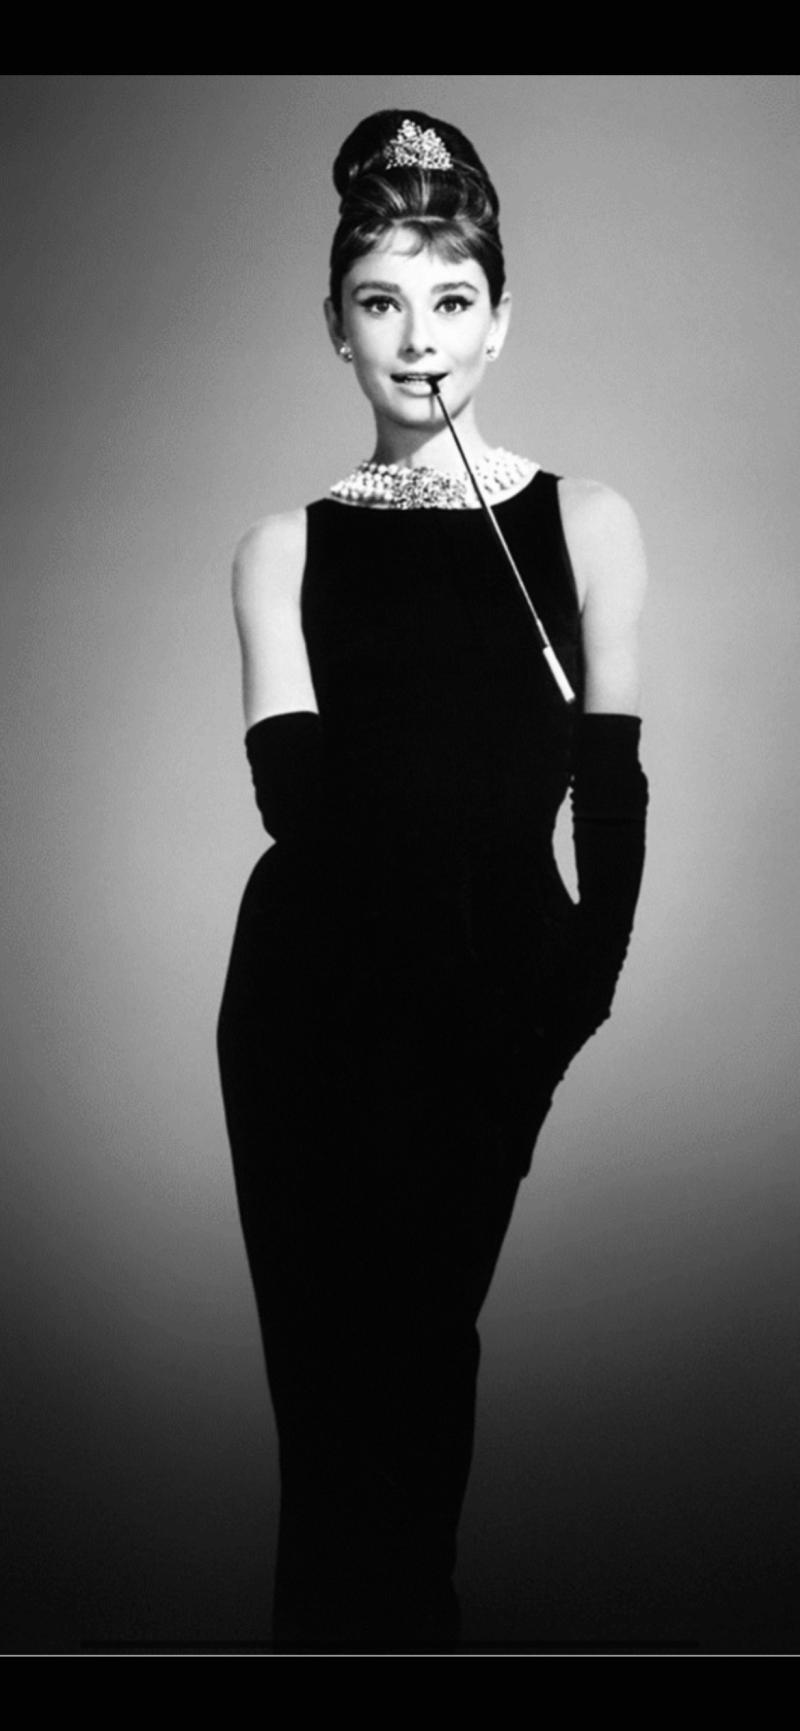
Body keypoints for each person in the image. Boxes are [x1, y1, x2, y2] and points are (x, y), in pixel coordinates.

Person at [216, 109, 649, 1653]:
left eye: (453, 298)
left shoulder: (587, 523)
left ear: (501, 318)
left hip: (492, 996)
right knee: (330, 1389)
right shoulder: (282, 547)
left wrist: (573, 995)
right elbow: (301, 808)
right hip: (315, 1001)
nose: (420, 340)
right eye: (382, 302)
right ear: (333, 325)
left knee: (421, 1356)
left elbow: (609, 785)